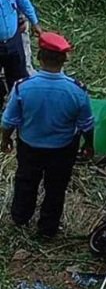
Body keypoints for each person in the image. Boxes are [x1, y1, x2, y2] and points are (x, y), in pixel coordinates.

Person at [1, 32, 94, 239]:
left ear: (39, 57)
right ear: (64, 60)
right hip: (62, 149)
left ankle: (20, 216)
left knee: (26, 181)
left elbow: (8, 121)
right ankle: (47, 228)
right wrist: (89, 145)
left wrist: (5, 139)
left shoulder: (22, 87)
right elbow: (86, 124)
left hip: (29, 146)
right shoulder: (77, 91)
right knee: (56, 188)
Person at [0, 0, 40, 105]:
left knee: (18, 77)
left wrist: (35, 22)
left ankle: (18, 106)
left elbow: (22, 0)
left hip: (13, 41)